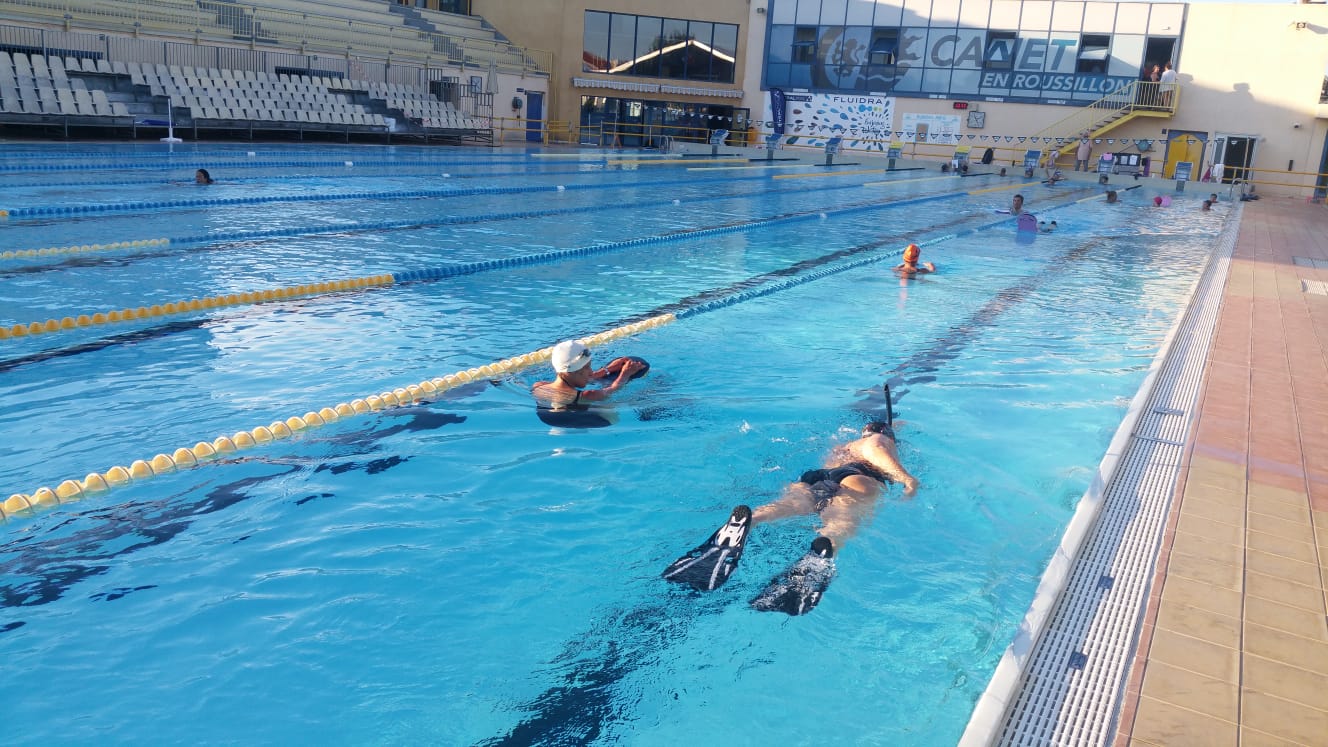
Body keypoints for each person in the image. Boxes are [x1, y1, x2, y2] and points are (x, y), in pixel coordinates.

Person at [663, 416, 919, 615]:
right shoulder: (878, 441)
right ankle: (822, 552)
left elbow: (874, 435)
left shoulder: (843, 446)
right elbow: (877, 449)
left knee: (791, 504)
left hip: (816, 476)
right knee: (842, 520)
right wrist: (908, 481)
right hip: (858, 478)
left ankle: (749, 522)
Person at [531, 340, 647, 423]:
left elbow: (570, 377)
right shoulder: (589, 395)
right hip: (591, 421)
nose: (591, 371)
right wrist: (626, 373)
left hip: (548, 420)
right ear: (572, 371)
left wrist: (606, 370)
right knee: (610, 405)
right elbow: (615, 387)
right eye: (587, 368)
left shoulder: (538, 386)